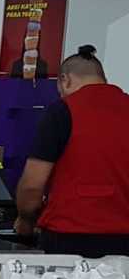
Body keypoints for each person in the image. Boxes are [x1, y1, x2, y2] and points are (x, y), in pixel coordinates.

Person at [15, 45, 129, 257]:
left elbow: (32, 186)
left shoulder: (62, 111)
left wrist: (25, 221)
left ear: (65, 80)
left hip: (69, 237)